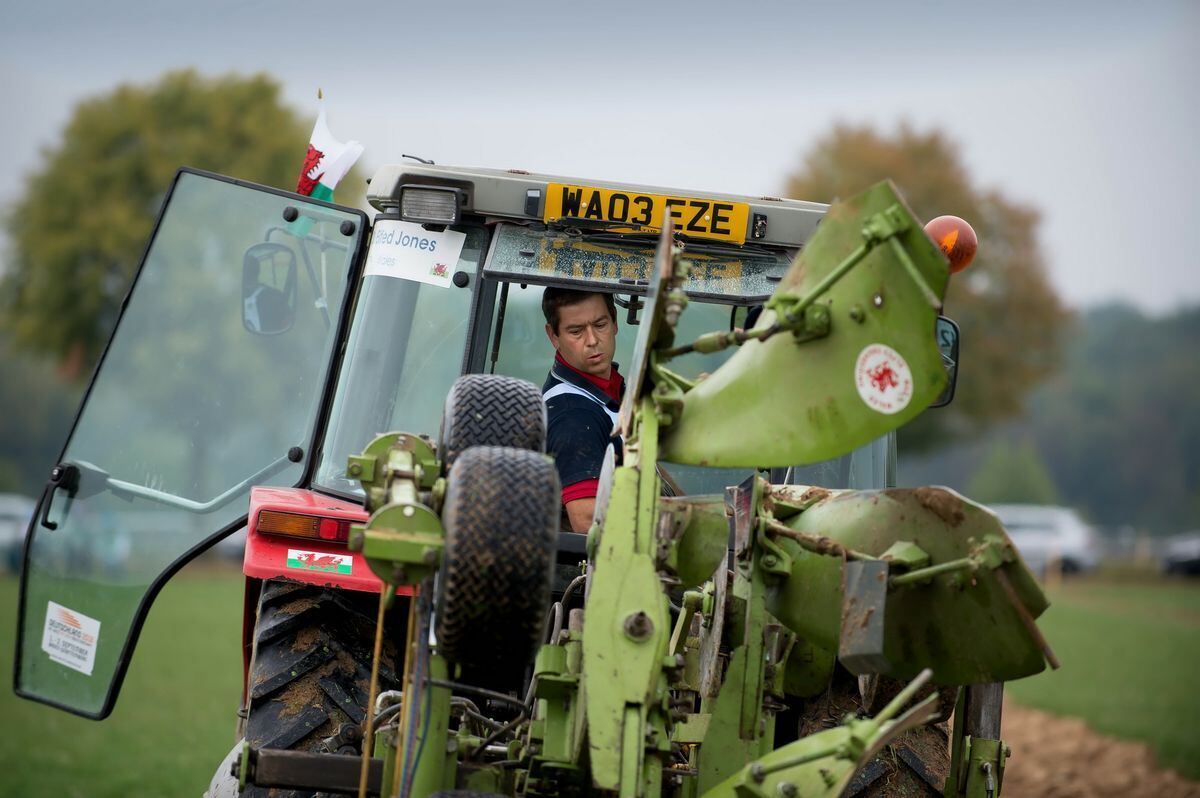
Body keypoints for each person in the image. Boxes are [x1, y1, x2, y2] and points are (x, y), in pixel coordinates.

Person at [541, 287, 623, 533]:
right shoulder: (573, 415)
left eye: (600, 325)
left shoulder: (608, 393)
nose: (592, 341)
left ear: (615, 321)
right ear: (553, 336)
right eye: (576, 331)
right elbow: (589, 523)